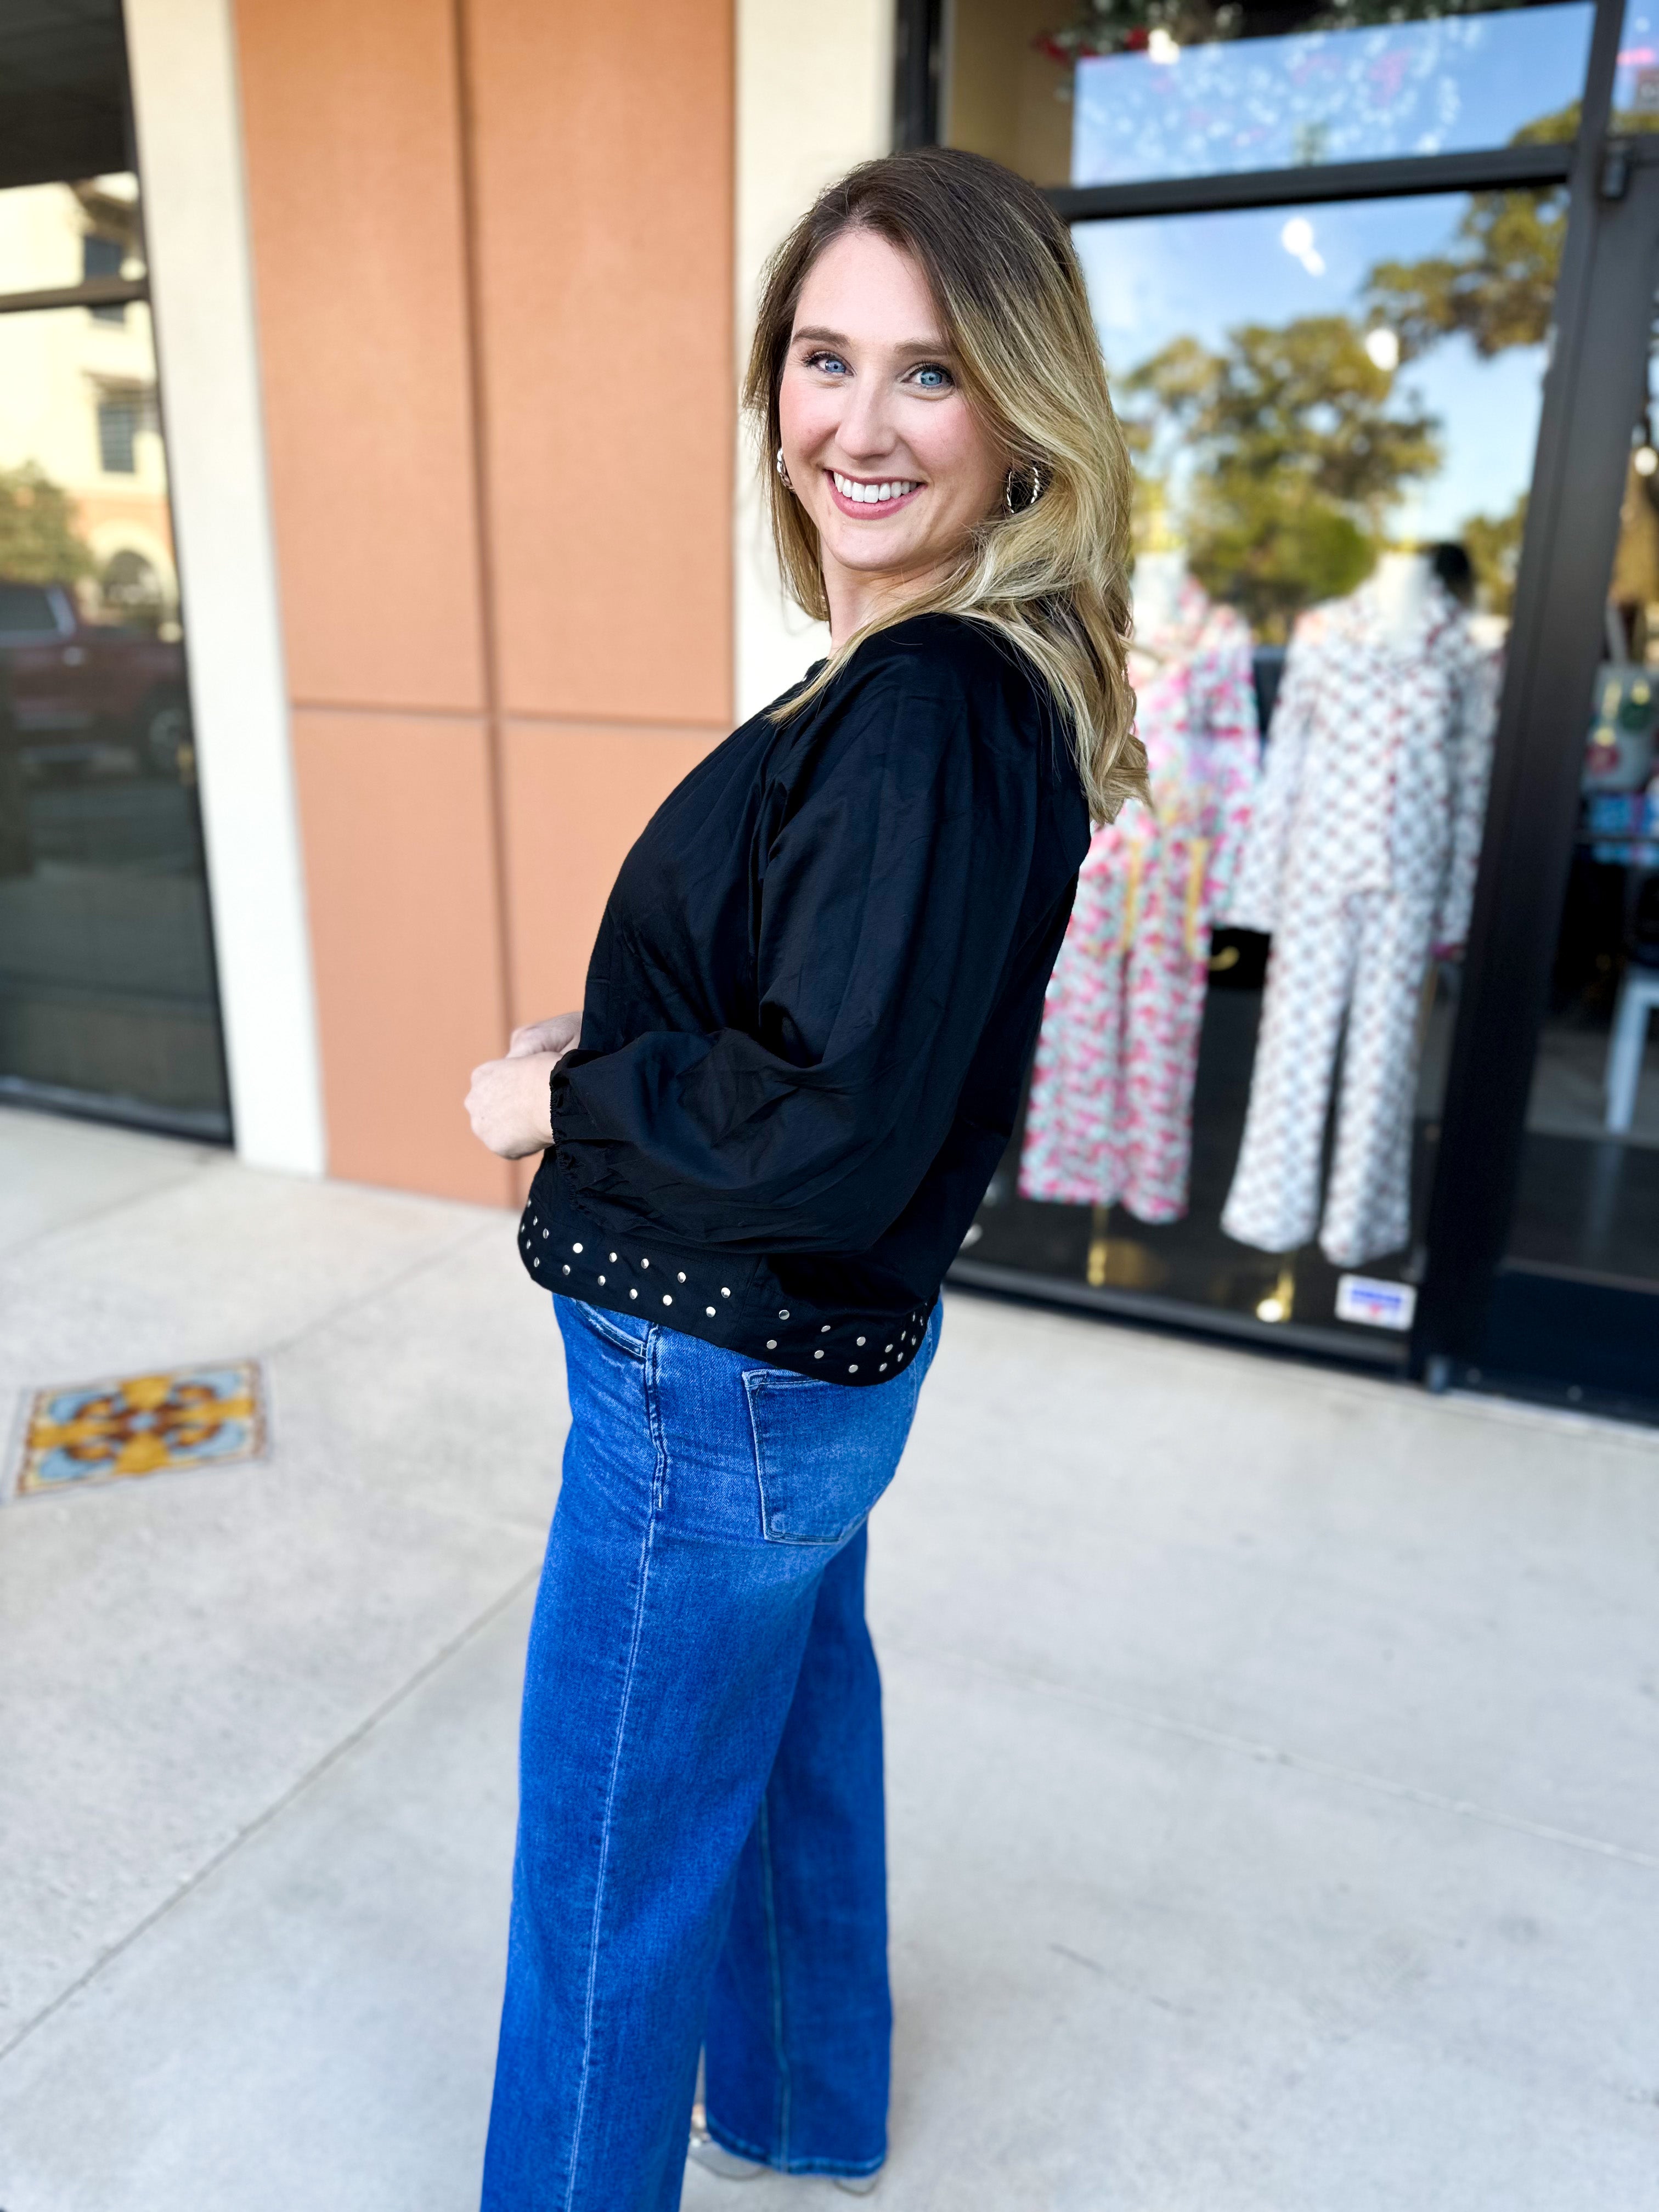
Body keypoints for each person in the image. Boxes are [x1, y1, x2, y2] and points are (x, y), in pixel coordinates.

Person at [463, 144, 1143, 2211]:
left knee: (608, 1864)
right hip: (790, 1365)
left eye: (929, 377)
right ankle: (802, 2103)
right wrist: (620, 1058)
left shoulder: (931, 704)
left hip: (712, 1373)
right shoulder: (947, 684)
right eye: (824, 359)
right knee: (780, 1761)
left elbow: (823, 1117)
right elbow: (834, 1034)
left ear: (1023, 421)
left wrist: (553, 1108)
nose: (858, 423)